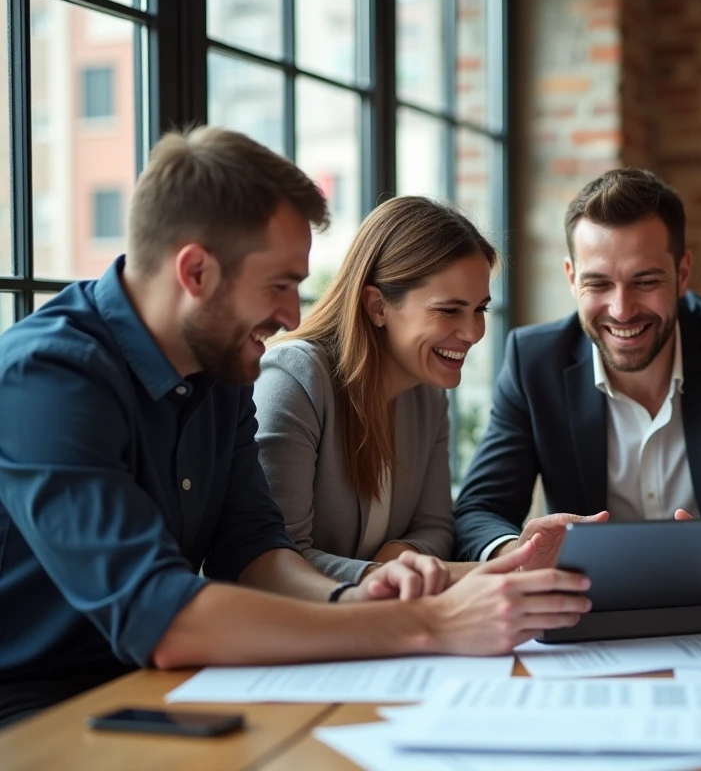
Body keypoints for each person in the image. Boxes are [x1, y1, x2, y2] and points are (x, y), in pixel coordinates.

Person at [0, 127, 590, 728]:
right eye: (279, 285)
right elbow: (160, 615)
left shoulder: (223, 371)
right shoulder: (48, 378)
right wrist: (426, 623)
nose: (291, 316)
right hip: (38, 703)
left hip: (163, 685)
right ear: (196, 271)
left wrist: (357, 598)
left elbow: (255, 551)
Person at [453, 168, 701, 563]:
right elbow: (479, 511)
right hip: (586, 593)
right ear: (572, 278)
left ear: (682, 274)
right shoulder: (534, 362)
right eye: (598, 284)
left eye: (645, 282)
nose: (621, 310)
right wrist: (519, 553)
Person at [253, 197, 492, 582]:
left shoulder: (428, 393)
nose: (473, 332)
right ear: (377, 306)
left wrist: (407, 552)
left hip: (380, 615)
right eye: (449, 310)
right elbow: (272, 560)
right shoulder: (294, 381)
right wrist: (381, 576)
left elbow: (436, 526)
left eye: (480, 309)